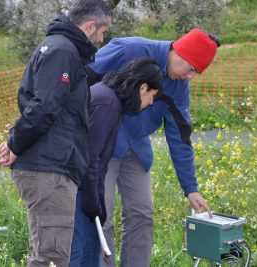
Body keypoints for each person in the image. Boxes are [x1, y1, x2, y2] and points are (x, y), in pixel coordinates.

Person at [86, 28, 220, 267]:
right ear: (180, 53)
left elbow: (180, 136)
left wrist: (191, 188)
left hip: (136, 150)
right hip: (100, 148)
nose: (189, 77)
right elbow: (81, 78)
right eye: (191, 70)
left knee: (142, 215)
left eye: (196, 73)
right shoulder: (128, 50)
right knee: (100, 217)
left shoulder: (178, 87)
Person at [0, 1, 112, 266]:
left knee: (49, 254)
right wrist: (15, 142)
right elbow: (45, 106)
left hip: (52, 163)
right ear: (90, 26)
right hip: (50, 167)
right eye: (102, 32)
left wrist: (16, 141)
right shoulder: (63, 51)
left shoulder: (61, 49)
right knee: (50, 258)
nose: (102, 39)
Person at [69, 58, 163, 267]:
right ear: (143, 87)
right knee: (81, 250)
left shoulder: (110, 100)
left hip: (76, 179)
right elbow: (91, 157)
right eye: (152, 96)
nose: (151, 102)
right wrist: (95, 203)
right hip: (67, 177)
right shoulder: (107, 103)